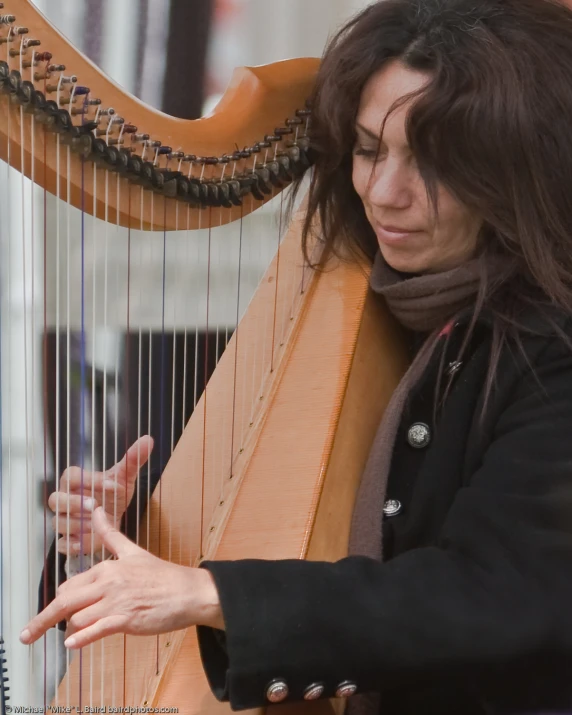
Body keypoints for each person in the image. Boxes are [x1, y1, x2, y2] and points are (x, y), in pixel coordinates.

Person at [21, 0, 572, 712]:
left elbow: (494, 592)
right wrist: (124, 538)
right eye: (369, 149)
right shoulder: (379, 293)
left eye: (434, 163)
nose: (382, 193)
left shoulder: (550, 349)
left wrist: (210, 591)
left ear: (520, 168)